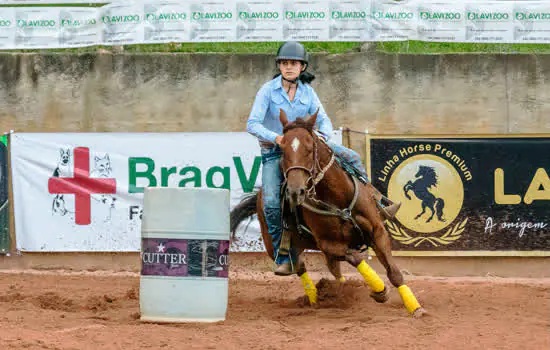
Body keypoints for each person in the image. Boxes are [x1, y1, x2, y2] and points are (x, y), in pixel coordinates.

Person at [246, 41, 400, 276]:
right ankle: (283, 256)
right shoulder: (268, 90)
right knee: (270, 202)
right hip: (276, 152)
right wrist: (277, 138)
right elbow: (252, 124)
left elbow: (324, 119)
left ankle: (377, 203)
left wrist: (323, 136)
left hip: (310, 148)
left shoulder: (308, 92)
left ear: (302, 67)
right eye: (284, 63)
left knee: (352, 157)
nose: (289, 67)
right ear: (279, 66)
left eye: (293, 63)